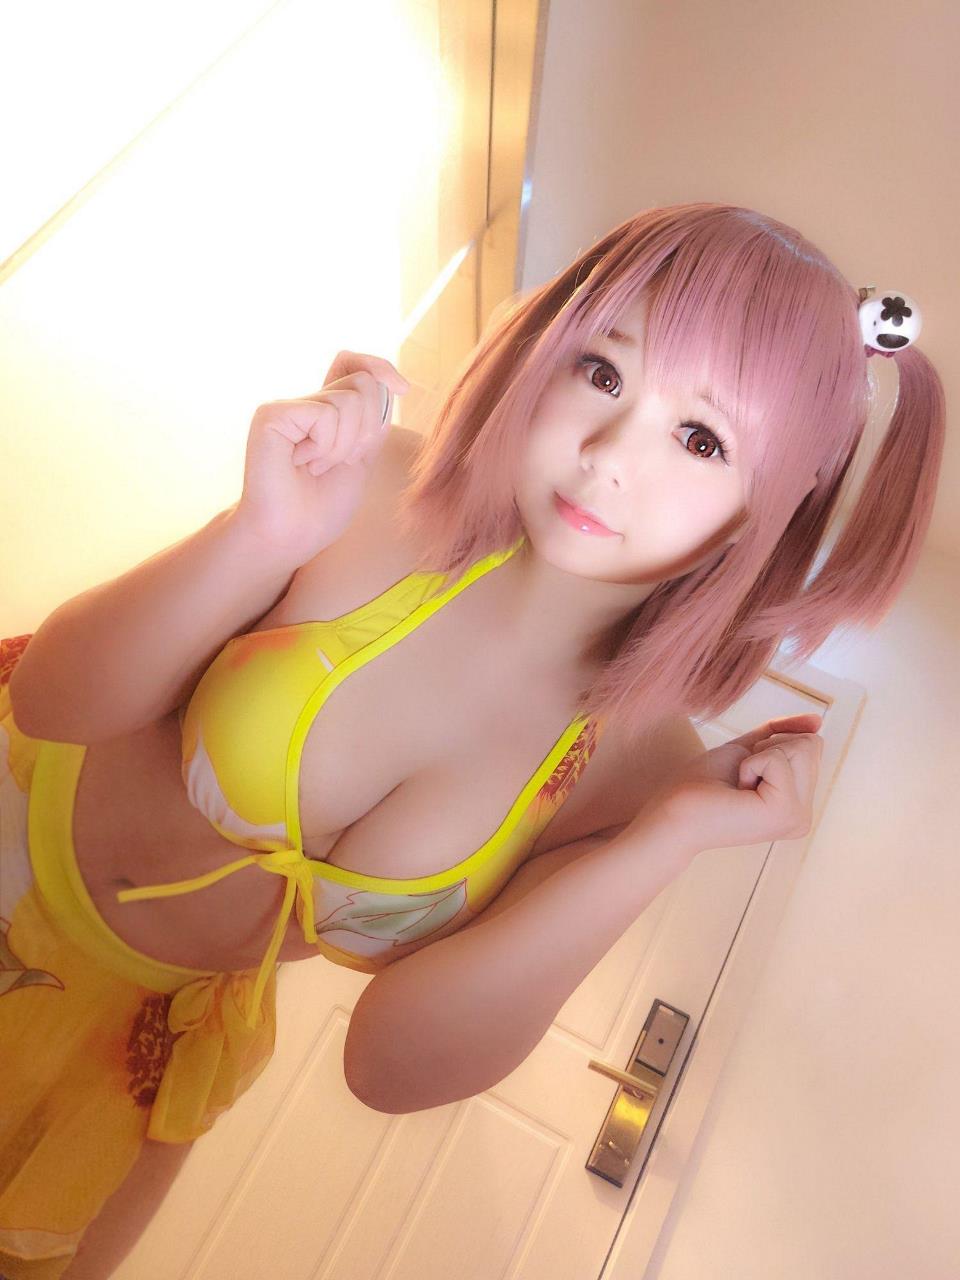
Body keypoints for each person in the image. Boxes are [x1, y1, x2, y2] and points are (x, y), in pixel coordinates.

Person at [0, 201, 945, 1277]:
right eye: (603, 371)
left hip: (149, 1052)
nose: (608, 456)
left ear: (775, 500)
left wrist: (666, 839)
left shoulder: (642, 776)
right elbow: (51, 702)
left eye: (701, 438)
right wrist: (257, 534)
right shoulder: (378, 489)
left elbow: (390, 1068)